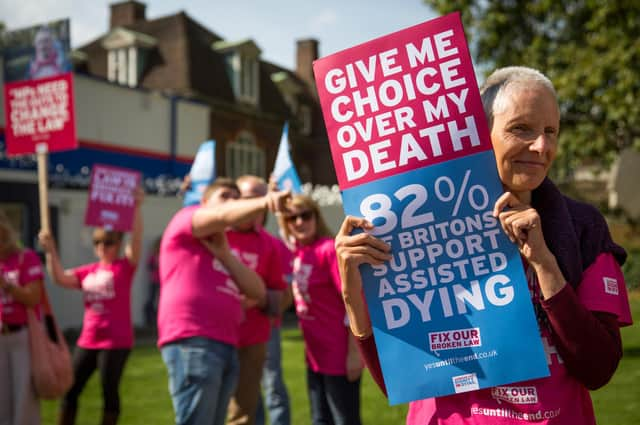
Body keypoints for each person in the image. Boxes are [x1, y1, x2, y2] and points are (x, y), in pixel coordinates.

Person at [335, 66, 633, 425]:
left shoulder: (583, 227)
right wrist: (353, 295)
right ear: (479, 135)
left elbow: (599, 368)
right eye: (521, 128)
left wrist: (545, 264)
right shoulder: (414, 225)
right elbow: (400, 379)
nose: (541, 146)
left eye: (550, 131)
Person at [157, 177, 290, 425]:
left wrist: (225, 255)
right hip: (194, 339)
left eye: (236, 199)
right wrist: (267, 200)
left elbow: (259, 291)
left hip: (227, 341)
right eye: (225, 197)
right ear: (205, 202)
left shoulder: (223, 245)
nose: (232, 204)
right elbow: (221, 215)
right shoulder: (186, 217)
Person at [38, 188, 144, 425]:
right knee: (71, 389)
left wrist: (136, 208)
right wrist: (50, 250)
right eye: (98, 242)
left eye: (108, 243)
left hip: (116, 341)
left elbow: (136, 241)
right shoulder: (89, 270)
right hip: (89, 338)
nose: (102, 248)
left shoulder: (124, 267)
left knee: (109, 392)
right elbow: (59, 278)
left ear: (118, 244)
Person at [277, 194, 364, 425]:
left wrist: (356, 353)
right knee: (320, 419)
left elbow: (352, 301)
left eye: (305, 215)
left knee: (344, 420)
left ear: (316, 217)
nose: (298, 222)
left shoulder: (328, 250)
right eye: (291, 218)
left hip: (339, 356)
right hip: (315, 355)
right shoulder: (298, 252)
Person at [226, 175, 289, 425]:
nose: (256, 205)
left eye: (260, 199)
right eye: (248, 199)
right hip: (220, 334)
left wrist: (258, 300)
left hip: (258, 334)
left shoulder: (271, 244)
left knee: (264, 395)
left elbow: (284, 294)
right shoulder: (217, 234)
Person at [0, 210, 44, 425]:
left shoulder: (25, 258)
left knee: (24, 400)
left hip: (22, 336)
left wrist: (7, 285)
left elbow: (33, 298)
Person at [255, 235, 293, 425]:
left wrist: (271, 311)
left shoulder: (273, 244)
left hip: (268, 327)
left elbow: (287, 290)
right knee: (247, 391)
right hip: (235, 331)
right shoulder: (226, 239)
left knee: (273, 385)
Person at [143, 236, 161, 328]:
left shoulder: (164, 255)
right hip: (154, 280)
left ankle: (158, 318)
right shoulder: (153, 256)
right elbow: (149, 266)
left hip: (162, 281)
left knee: (160, 301)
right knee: (152, 299)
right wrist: (156, 266)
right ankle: (149, 318)